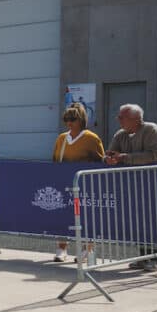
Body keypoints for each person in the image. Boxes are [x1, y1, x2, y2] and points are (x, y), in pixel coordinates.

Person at [105, 103, 157, 270]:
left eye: (122, 117)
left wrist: (123, 158)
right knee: (140, 220)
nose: (118, 119)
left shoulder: (152, 130)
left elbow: (153, 155)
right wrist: (108, 158)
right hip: (138, 183)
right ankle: (144, 257)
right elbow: (110, 152)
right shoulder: (120, 134)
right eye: (119, 116)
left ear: (135, 119)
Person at [51, 102, 104, 263]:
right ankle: (62, 248)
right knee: (63, 216)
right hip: (64, 183)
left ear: (81, 120)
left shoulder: (91, 138)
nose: (69, 122)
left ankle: (87, 250)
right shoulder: (61, 138)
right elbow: (55, 160)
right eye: (66, 119)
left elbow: (100, 161)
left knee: (86, 217)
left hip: (86, 185)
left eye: (73, 119)